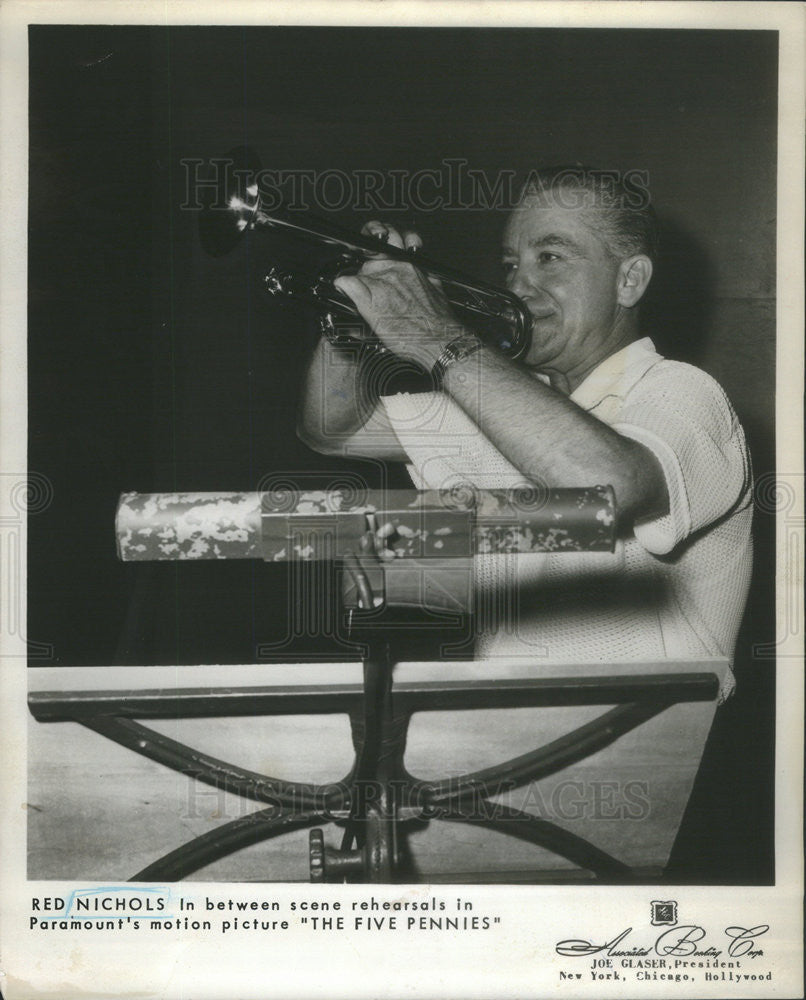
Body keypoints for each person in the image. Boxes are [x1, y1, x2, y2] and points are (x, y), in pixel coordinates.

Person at [298, 168, 753, 698]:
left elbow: (606, 490)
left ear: (629, 280)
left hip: (640, 749)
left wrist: (436, 337)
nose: (517, 284)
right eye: (511, 263)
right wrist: (353, 322)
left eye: (550, 257)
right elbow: (335, 430)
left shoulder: (685, 393)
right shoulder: (502, 399)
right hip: (499, 743)